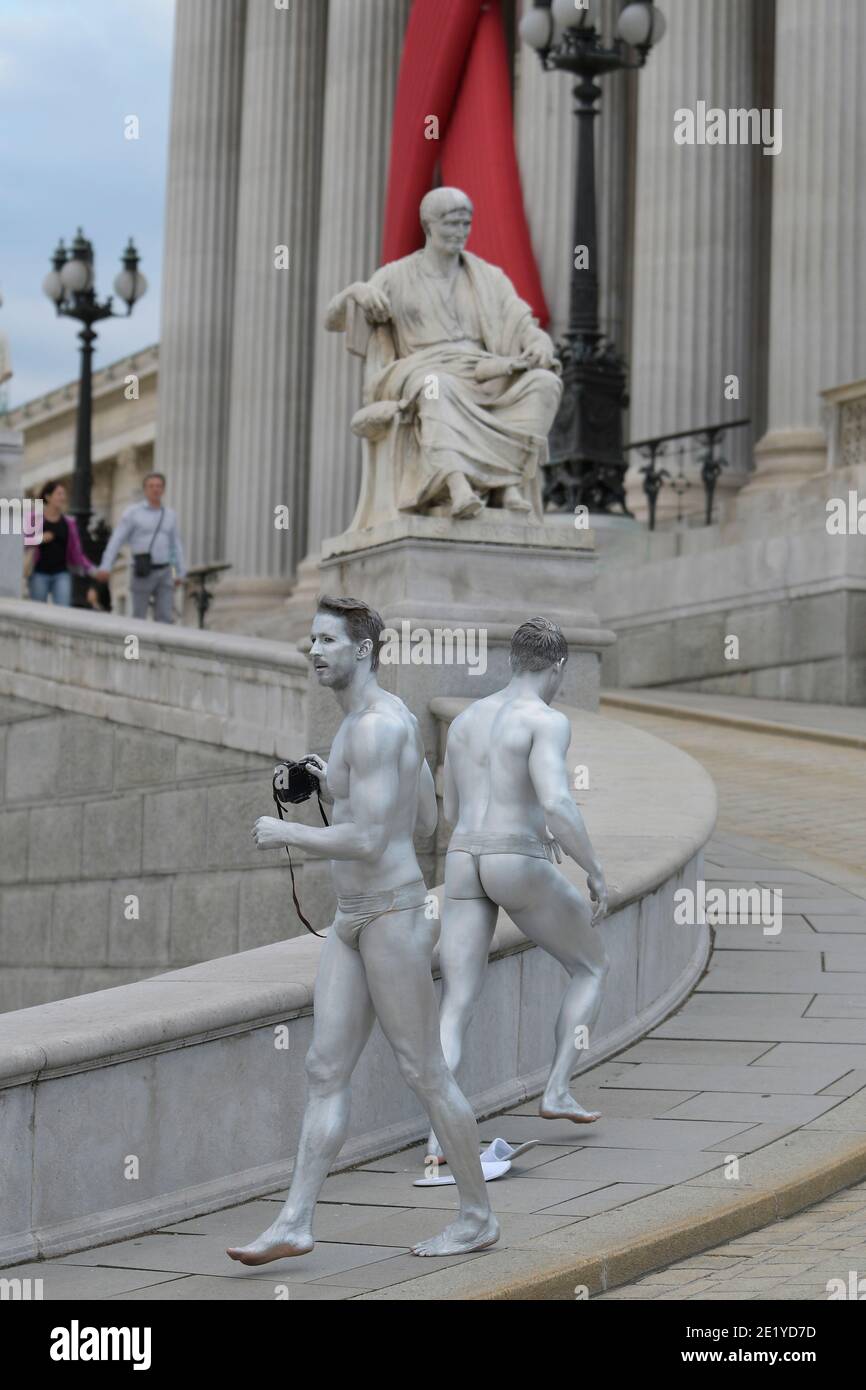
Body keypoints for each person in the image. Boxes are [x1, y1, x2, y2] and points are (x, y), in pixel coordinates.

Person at [227, 595, 498, 1265]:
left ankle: (477, 1216)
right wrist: (332, 783)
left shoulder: (376, 729)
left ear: (362, 649)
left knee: (424, 1071)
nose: (314, 651)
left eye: (326, 640)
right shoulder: (370, 723)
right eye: (310, 641)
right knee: (324, 1068)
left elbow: (379, 838)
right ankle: (294, 1220)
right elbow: (427, 824)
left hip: (391, 915)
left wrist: (286, 828)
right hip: (352, 919)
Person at [426, 617, 610, 1161]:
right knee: (591, 965)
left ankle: (439, 1139)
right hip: (514, 857)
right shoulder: (545, 720)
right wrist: (594, 869)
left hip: (462, 858)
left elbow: (453, 812)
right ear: (557, 667)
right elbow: (556, 801)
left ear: (511, 662)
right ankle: (556, 1087)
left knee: (456, 1003)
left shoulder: (464, 722)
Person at [326, 186, 562, 520]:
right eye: (451, 224)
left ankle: (508, 480)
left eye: (466, 224)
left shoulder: (488, 277)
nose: (460, 232)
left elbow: (521, 320)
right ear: (428, 225)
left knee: (544, 385)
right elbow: (331, 320)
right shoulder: (395, 275)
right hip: (423, 369)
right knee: (437, 386)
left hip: (485, 373)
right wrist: (356, 292)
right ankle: (457, 486)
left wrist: (539, 343)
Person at [94, 472, 185, 623]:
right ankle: (135, 646)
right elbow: (117, 540)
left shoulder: (170, 515)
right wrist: (106, 566)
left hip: (165, 571)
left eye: (159, 486)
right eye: (151, 486)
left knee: (165, 616)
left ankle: (158, 646)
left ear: (163, 490)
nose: (155, 489)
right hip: (142, 569)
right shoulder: (133, 513)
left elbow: (175, 545)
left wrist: (179, 571)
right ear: (145, 489)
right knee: (138, 616)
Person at [25, 481, 94, 606]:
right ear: (48, 497)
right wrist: (39, 538)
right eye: (59, 494)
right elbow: (23, 542)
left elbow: (76, 551)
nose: (63, 497)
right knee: (37, 610)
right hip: (39, 573)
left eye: (64, 494)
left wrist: (91, 568)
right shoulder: (34, 517)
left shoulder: (69, 522)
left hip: (61, 573)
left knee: (63, 609)